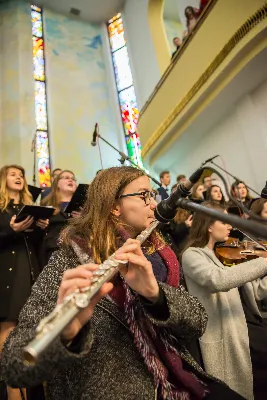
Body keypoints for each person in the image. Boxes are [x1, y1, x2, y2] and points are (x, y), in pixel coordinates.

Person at [2, 167, 245, 400]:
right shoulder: (69, 258)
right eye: (144, 195)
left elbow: (198, 322)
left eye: (152, 194)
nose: (154, 203)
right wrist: (66, 335)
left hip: (178, 381)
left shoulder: (161, 254)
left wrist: (156, 296)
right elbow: (15, 365)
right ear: (114, 207)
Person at [182, 201, 267, 400]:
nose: (230, 225)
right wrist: (263, 262)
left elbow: (256, 292)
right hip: (228, 330)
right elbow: (218, 280)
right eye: (225, 220)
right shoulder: (192, 255)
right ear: (209, 225)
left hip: (247, 321)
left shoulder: (225, 253)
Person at [0, 164, 48, 400]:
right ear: (3, 180)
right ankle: (12, 391)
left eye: (21, 175)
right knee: (9, 327)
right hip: (9, 274)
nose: (18, 177)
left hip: (31, 271)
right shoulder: (1, 210)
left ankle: (35, 390)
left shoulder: (30, 209)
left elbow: (37, 246)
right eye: (13, 174)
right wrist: (11, 231)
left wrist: (41, 228)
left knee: (33, 328)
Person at [40, 170, 77, 266]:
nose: (71, 180)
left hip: (80, 251)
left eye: (73, 179)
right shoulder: (47, 204)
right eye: (66, 178)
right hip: (55, 252)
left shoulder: (85, 206)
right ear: (57, 184)